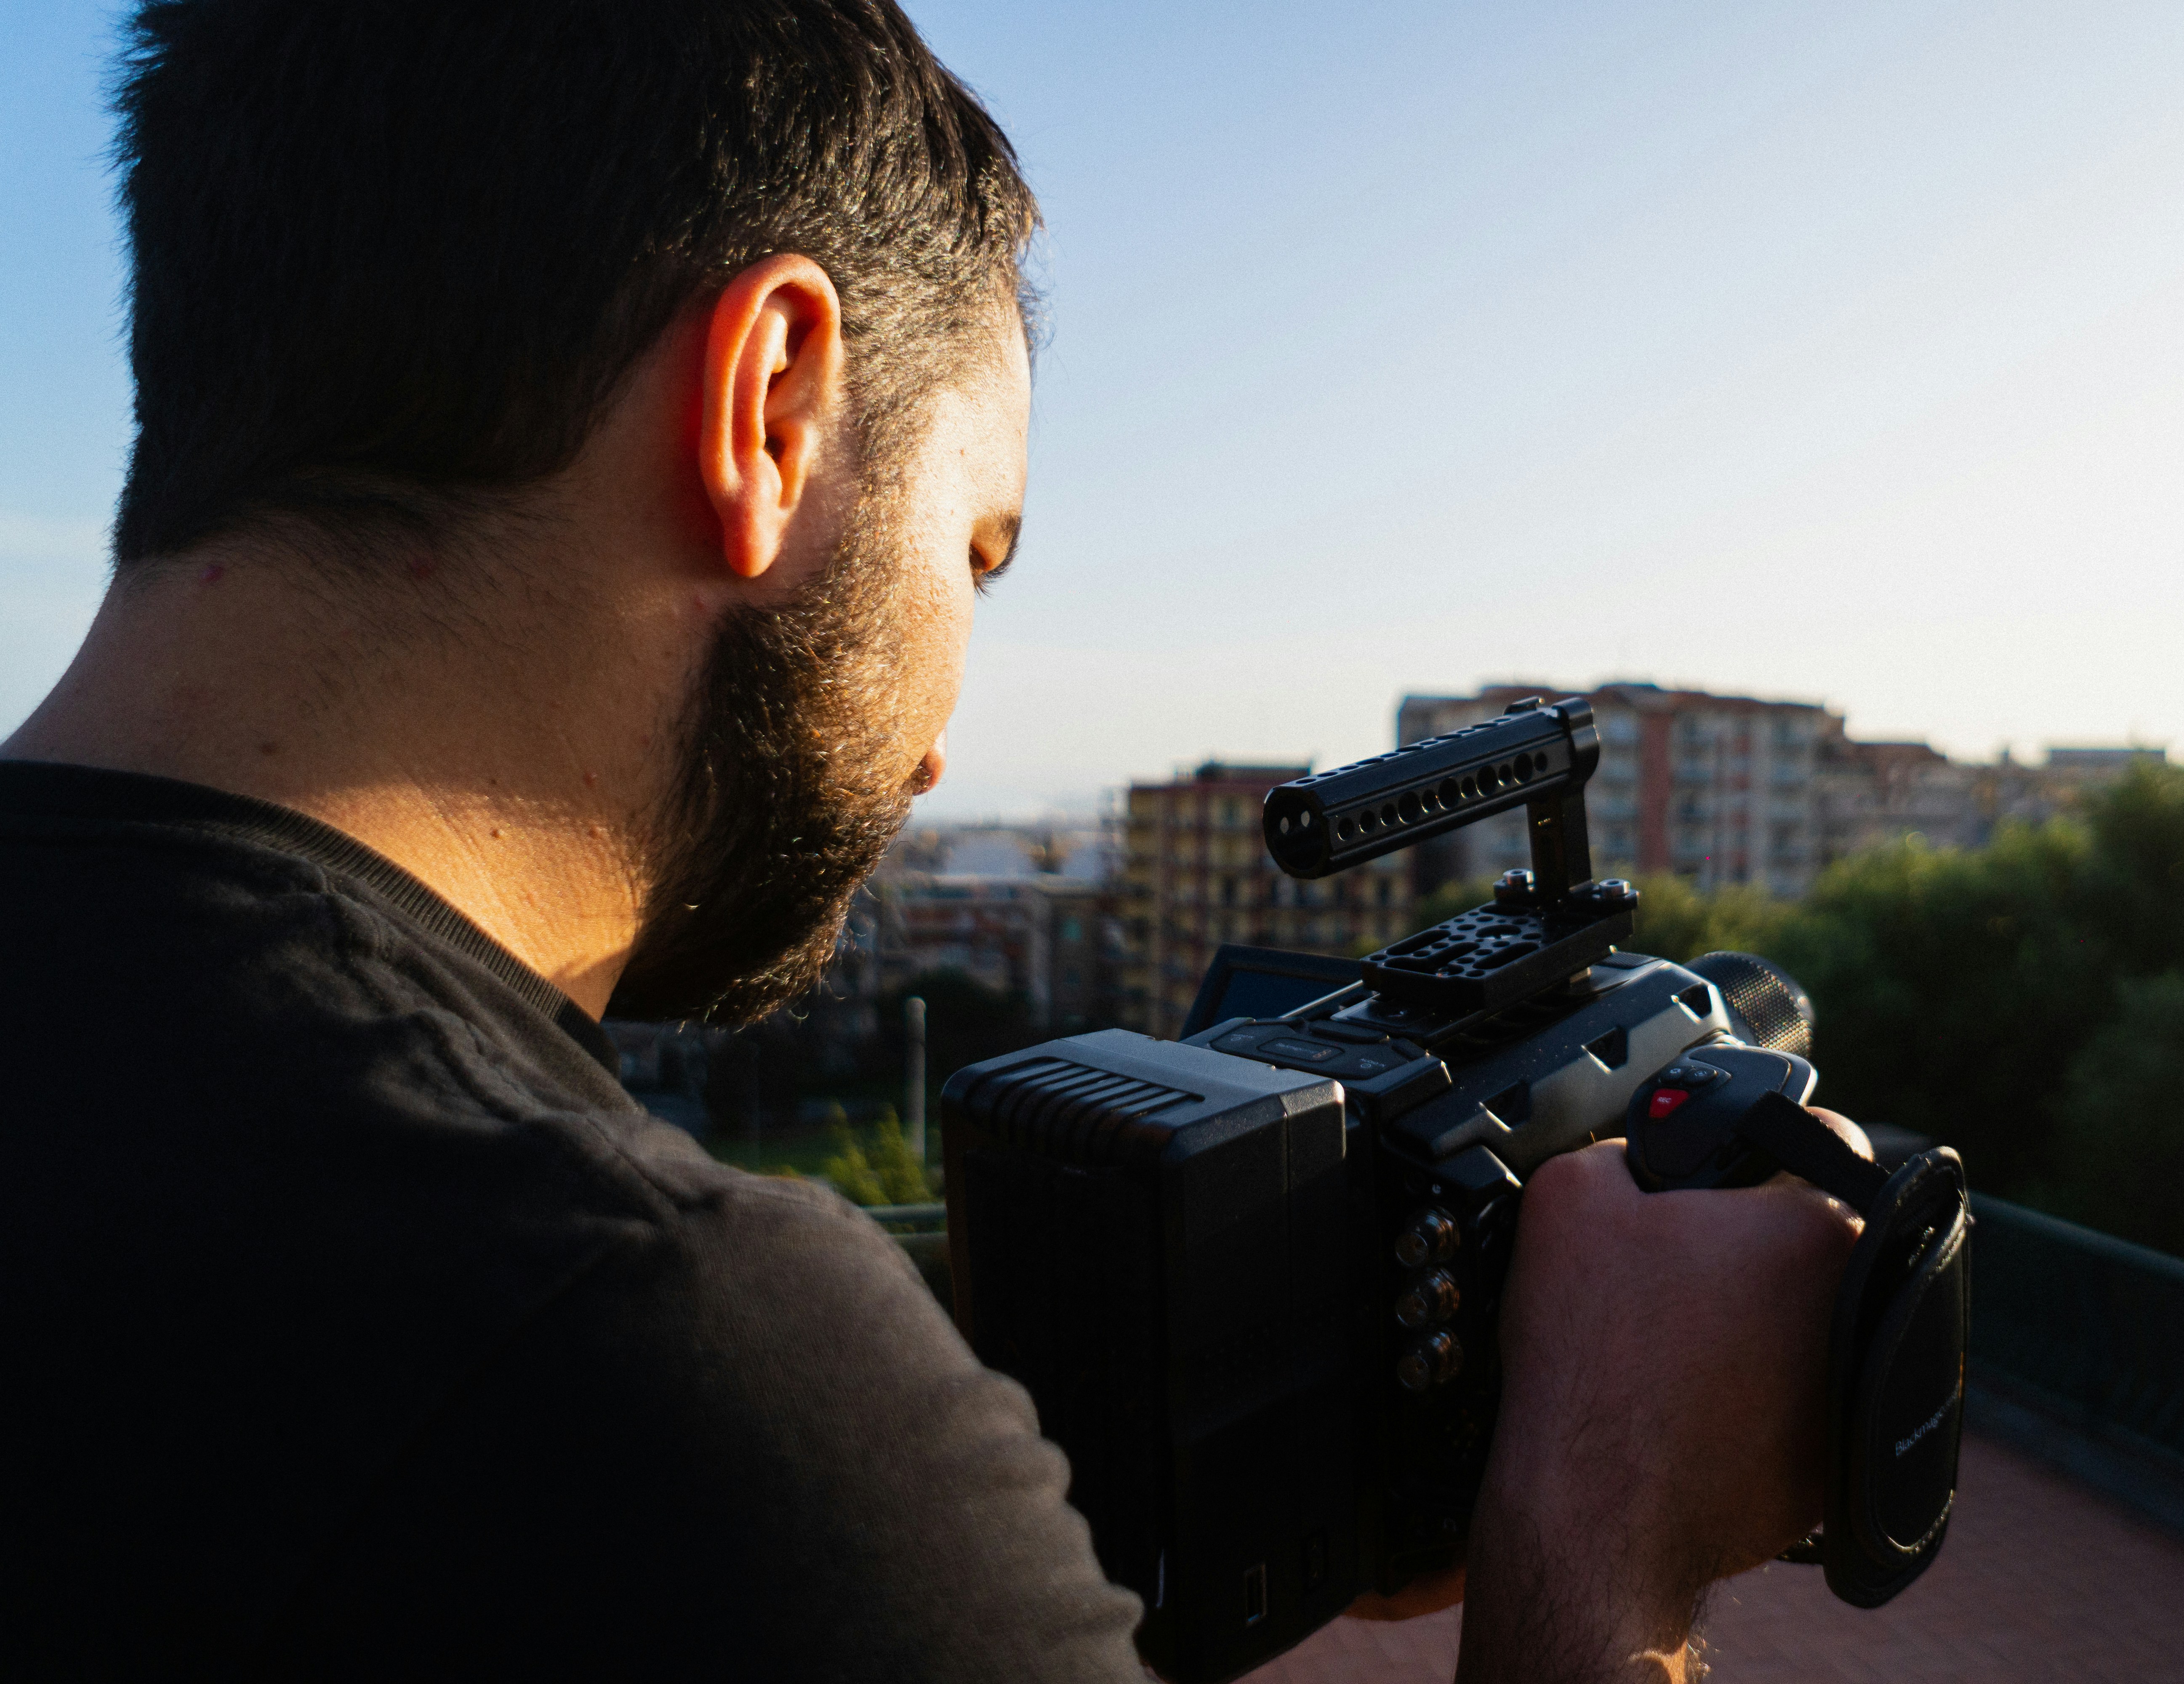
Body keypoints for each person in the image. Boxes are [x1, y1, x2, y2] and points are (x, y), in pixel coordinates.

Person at [0, 2, 1867, 1679]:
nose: (938, 749)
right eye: (974, 551)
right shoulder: (653, 1373)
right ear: (771, 413)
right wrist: (1606, 1518)